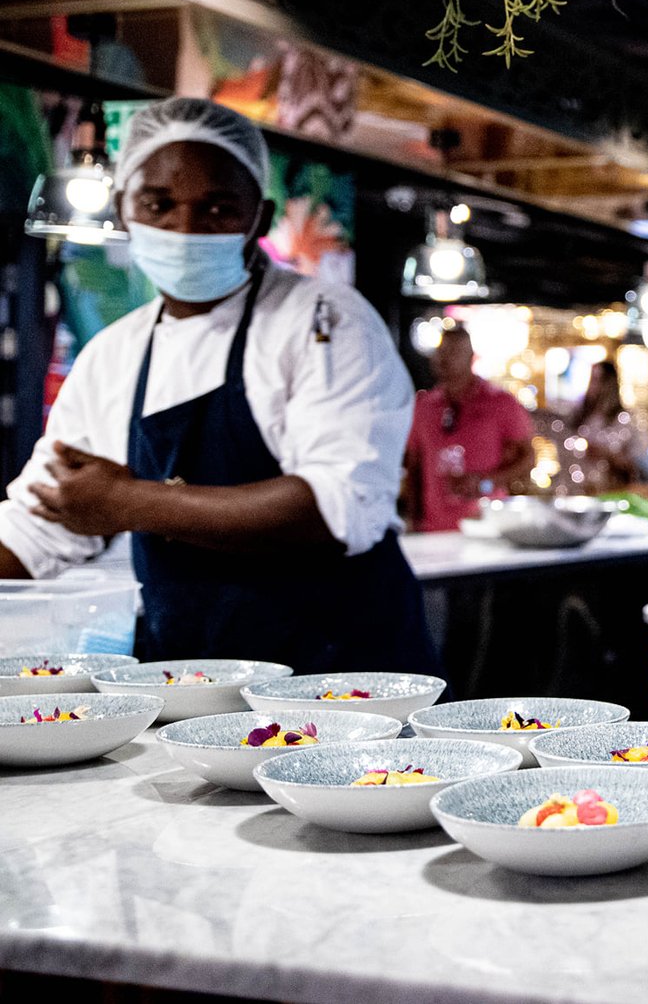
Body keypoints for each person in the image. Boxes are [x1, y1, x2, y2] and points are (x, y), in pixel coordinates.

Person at [0, 97, 442, 676]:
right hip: (191, 680)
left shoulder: (325, 320)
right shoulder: (114, 354)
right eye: (158, 204)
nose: (186, 228)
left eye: (218, 208)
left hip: (340, 677)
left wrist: (130, 502)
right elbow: (42, 521)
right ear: (124, 210)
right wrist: (97, 505)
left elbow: (333, 509)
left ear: (259, 217)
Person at [404, 326, 537, 533]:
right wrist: (414, 520)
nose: (444, 359)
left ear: (470, 358)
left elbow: (528, 458)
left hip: (486, 527)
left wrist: (486, 482)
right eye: (441, 352)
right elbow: (414, 466)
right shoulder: (424, 406)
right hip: (435, 529)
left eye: (454, 352)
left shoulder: (500, 402)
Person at [542, 360, 648, 494]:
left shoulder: (628, 420)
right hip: (576, 491)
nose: (593, 386)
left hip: (612, 491)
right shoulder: (578, 417)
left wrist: (608, 455)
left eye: (597, 380)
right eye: (591, 380)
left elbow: (641, 464)